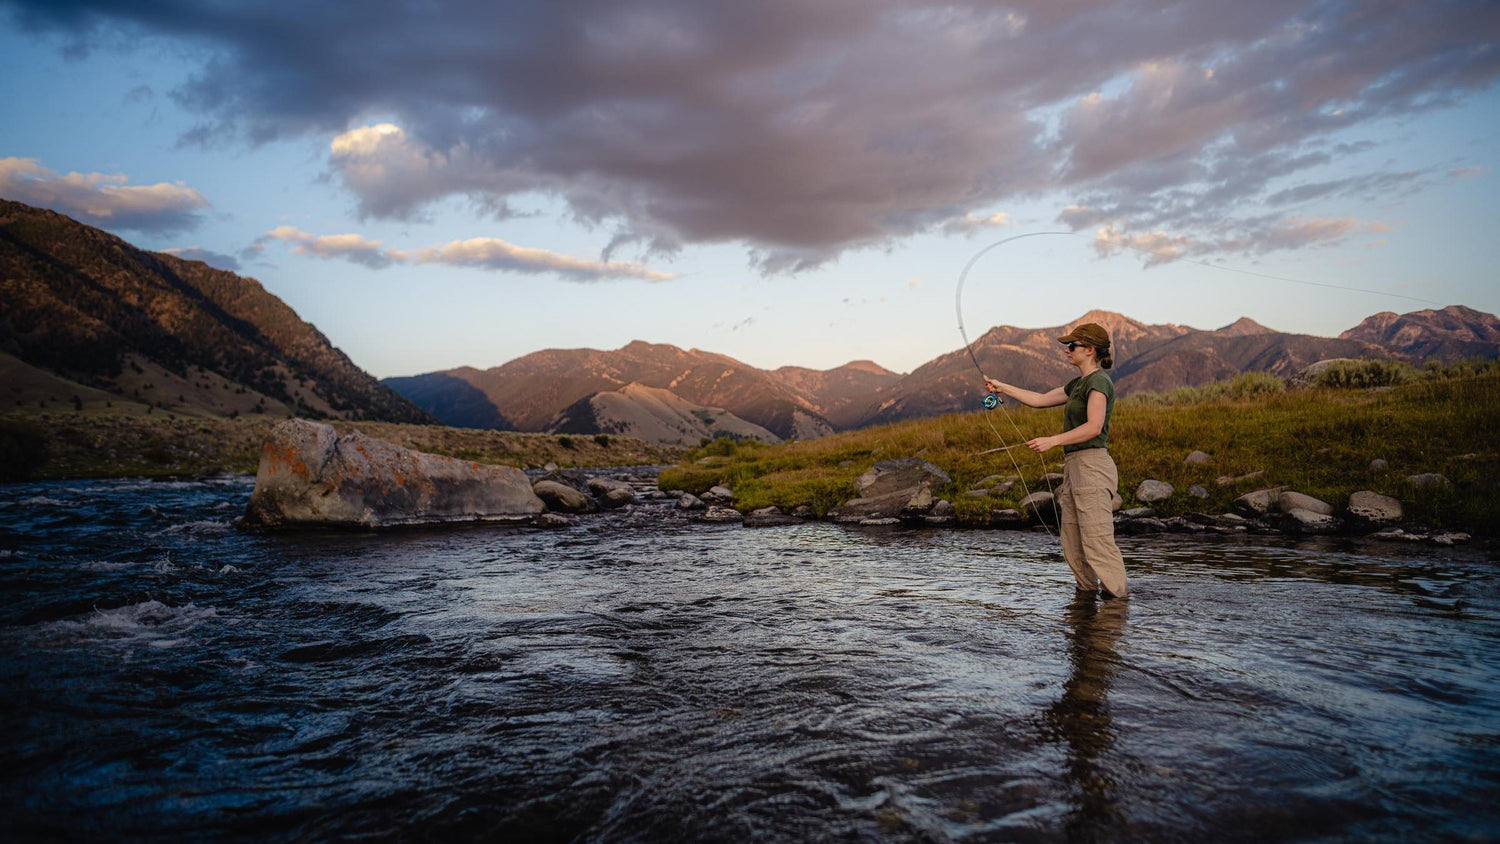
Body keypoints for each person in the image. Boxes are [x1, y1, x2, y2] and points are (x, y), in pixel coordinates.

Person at [984, 322, 1128, 598]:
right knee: (1072, 541)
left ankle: (1117, 607)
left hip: (1092, 466)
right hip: (1075, 467)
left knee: (1097, 542)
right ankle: (1087, 602)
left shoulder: (1098, 381)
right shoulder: (1077, 384)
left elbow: (1094, 426)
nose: (1067, 350)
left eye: (1072, 346)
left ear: (1089, 350)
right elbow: (1039, 399)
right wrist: (1002, 388)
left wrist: (1053, 441)